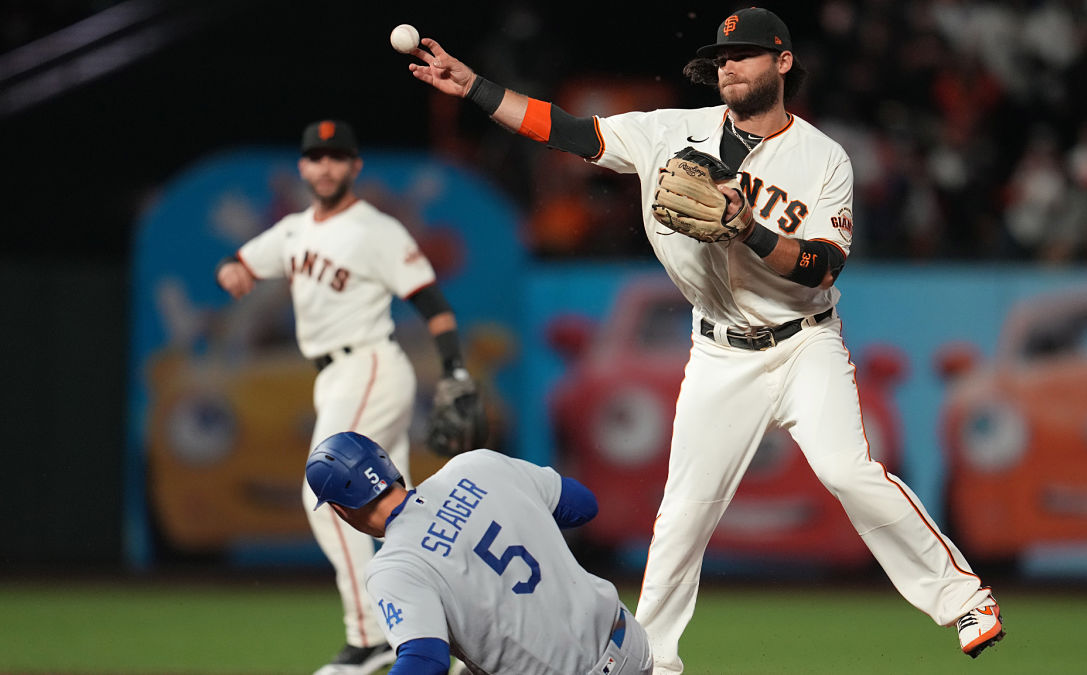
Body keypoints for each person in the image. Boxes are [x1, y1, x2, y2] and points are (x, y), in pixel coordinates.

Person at [405, 7, 1004, 673]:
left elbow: (822, 265)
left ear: (782, 63)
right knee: (683, 512)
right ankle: (649, 661)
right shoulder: (668, 132)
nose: (730, 67)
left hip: (804, 342)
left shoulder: (822, 158)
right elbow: (565, 130)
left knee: (847, 470)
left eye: (745, 55)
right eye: (721, 58)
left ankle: (963, 598)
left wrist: (747, 226)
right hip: (719, 352)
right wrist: (477, 87)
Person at [216, 119, 481, 675]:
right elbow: (242, 262)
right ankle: (447, 636)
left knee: (331, 497)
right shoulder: (292, 232)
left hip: (369, 364)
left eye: (338, 156)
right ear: (303, 168)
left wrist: (454, 370)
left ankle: (373, 637)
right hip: (332, 374)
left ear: (355, 166)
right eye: (317, 156)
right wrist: (234, 270)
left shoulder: (377, 230)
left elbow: (432, 304)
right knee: (399, 515)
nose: (327, 166)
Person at [305, 430, 654, 675]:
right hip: (632, 647)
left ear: (340, 510)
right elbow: (583, 506)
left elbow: (426, 660)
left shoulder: (392, 568)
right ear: (387, 466)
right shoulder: (476, 466)